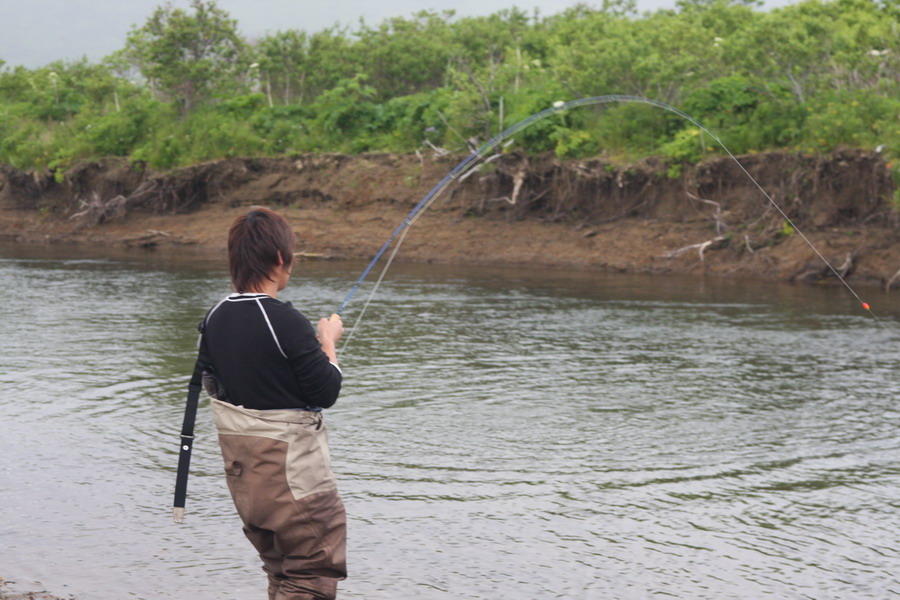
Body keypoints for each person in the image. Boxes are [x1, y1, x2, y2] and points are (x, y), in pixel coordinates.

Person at [197, 207, 347, 600]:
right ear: (281, 259)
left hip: (247, 479)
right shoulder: (284, 320)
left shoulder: (214, 319)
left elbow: (220, 386)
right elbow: (326, 391)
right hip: (294, 479)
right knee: (310, 571)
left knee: (282, 570)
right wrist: (327, 341)